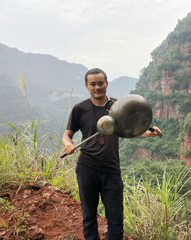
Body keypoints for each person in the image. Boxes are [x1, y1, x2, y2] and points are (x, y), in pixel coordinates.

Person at [62, 68, 161, 240]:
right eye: (93, 84)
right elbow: (67, 134)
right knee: (89, 217)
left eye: (101, 83)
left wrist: (148, 133)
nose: (97, 87)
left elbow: (130, 130)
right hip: (87, 168)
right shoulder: (80, 109)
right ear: (87, 86)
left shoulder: (118, 107)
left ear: (107, 83)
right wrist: (68, 145)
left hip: (111, 170)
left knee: (116, 220)